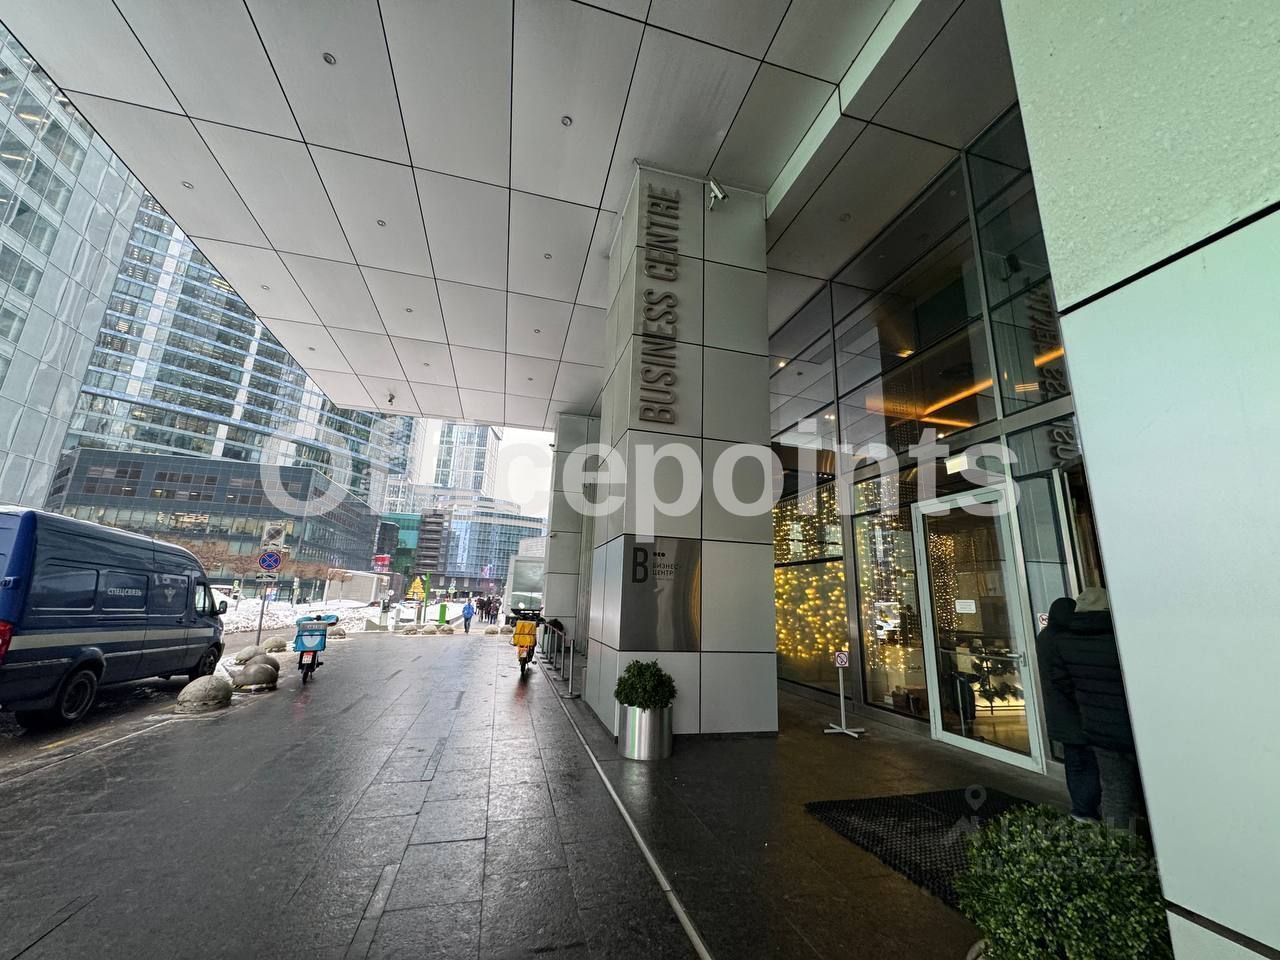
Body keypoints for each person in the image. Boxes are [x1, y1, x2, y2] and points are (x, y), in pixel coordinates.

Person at [1052, 586, 1145, 829]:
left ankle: (1117, 842)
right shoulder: (1121, 637)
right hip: (1134, 724)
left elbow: (1062, 682)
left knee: (1114, 787)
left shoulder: (1065, 642)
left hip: (1096, 726)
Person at [1035, 596, 1101, 821]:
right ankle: (1086, 808)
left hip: (1060, 714)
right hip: (1078, 713)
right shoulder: (1065, 640)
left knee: (1075, 762)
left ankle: (1081, 808)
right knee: (1087, 761)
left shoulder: (1045, 638)